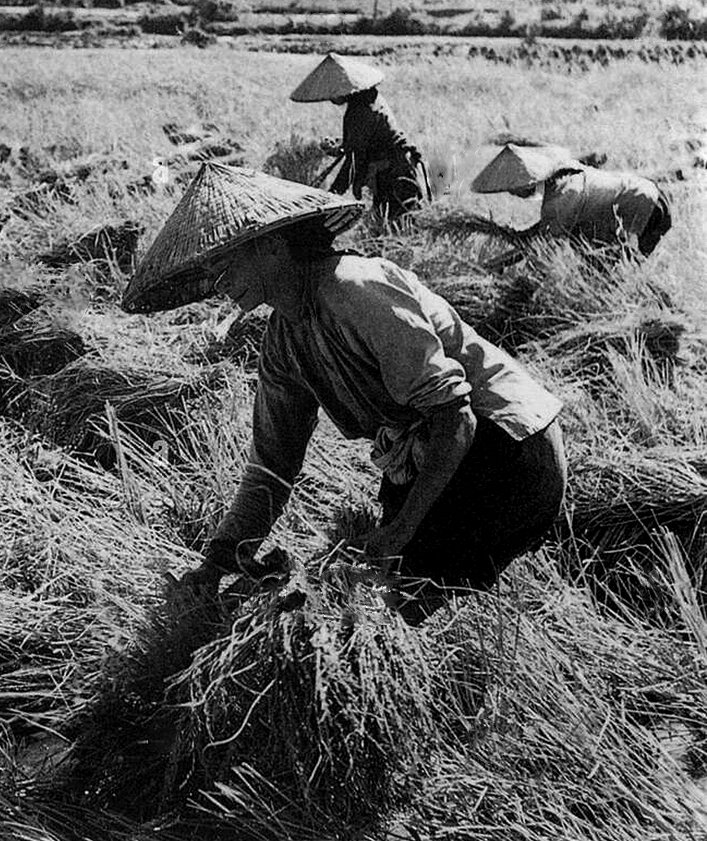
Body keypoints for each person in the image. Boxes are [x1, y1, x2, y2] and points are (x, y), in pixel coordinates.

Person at [122, 165, 566, 624]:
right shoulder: (282, 342)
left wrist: (400, 532)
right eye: (212, 271)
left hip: (507, 444)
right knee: (390, 595)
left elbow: (456, 416)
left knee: (396, 599)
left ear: (272, 242)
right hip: (444, 448)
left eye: (226, 261)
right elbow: (271, 467)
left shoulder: (352, 286)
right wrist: (215, 566)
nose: (218, 283)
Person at [291, 52, 428, 220]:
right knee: (386, 221)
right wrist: (342, 146)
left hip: (394, 169)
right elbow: (363, 140)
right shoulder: (368, 96)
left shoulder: (359, 111)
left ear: (344, 89)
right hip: (395, 164)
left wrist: (331, 197)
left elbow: (354, 159)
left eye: (333, 93)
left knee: (399, 221)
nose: (331, 99)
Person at [471, 143, 673, 256]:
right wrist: (519, 235)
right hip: (649, 196)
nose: (513, 194)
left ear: (528, 183)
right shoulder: (562, 178)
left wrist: (502, 262)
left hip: (648, 208)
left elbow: (544, 244)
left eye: (513, 189)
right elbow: (546, 229)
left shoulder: (563, 196)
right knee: (595, 254)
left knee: (625, 268)